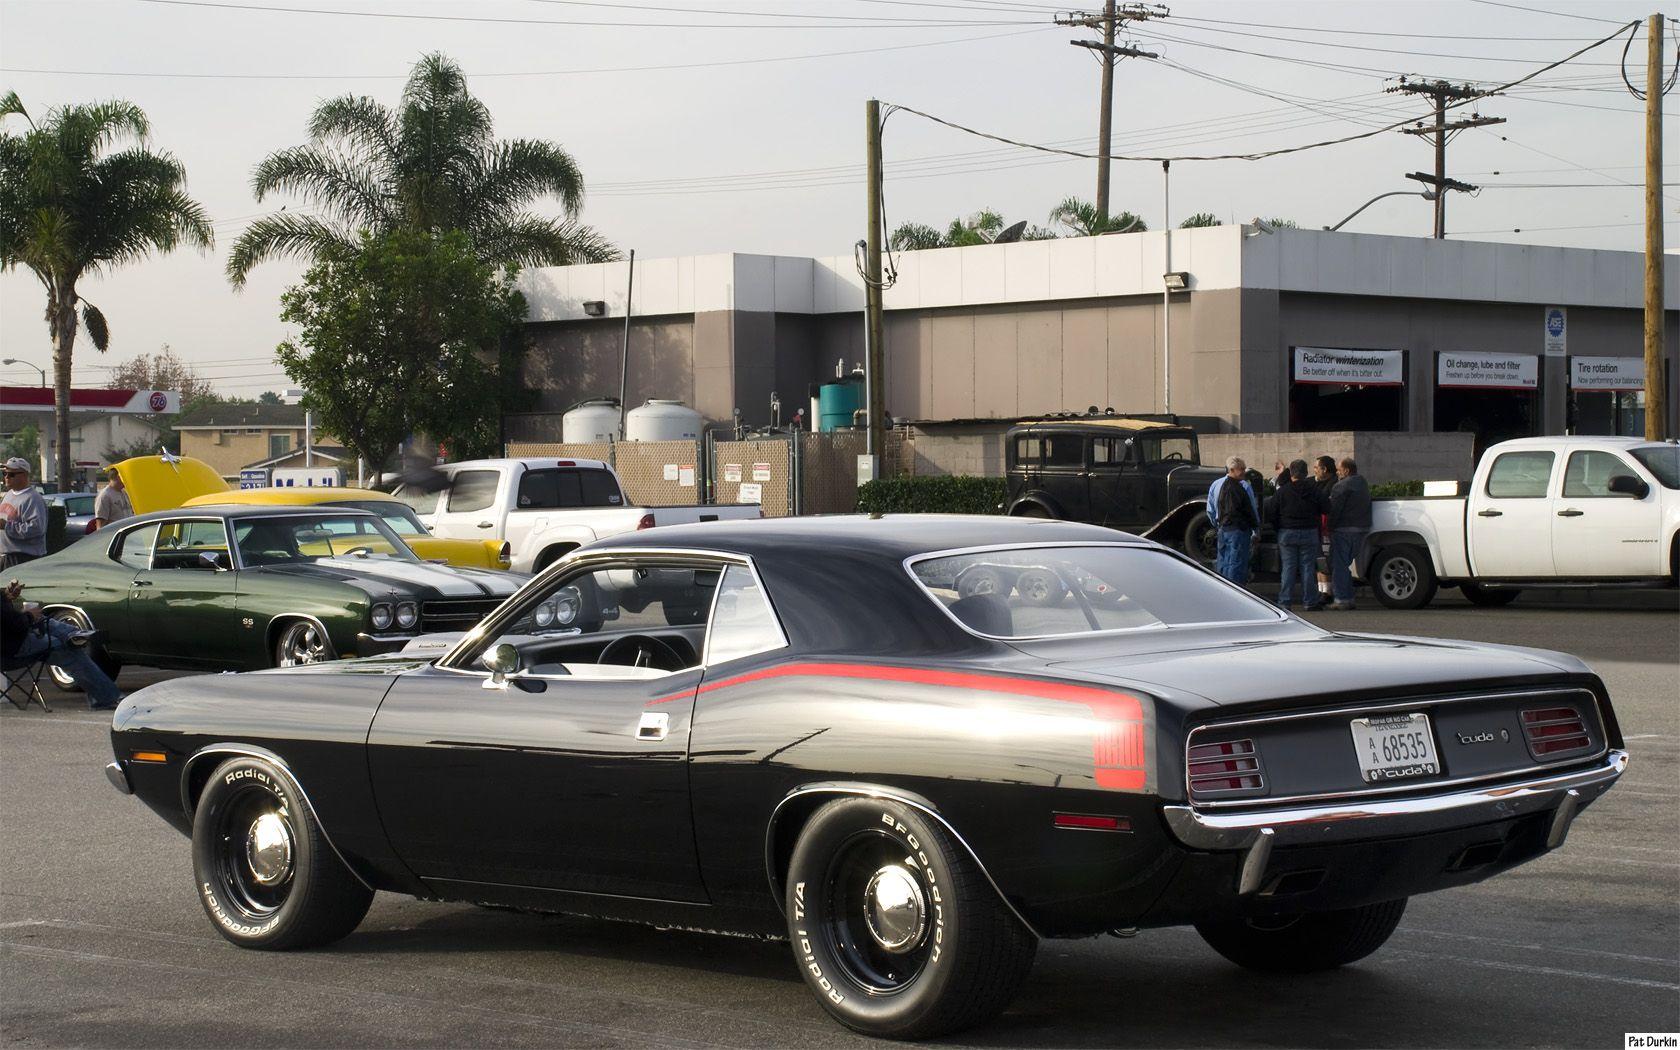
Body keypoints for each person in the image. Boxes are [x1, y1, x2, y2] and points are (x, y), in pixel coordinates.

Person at [1, 581, 124, 710]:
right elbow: (12, 623)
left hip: (11, 642)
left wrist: (6, 597)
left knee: (43, 622)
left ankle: (74, 635)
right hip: (11, 650)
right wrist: (29, 615)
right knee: (67, 649)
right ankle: (107, 698)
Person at [1271, 458, 1329, 612]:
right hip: (1309, 531)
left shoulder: (1283, 491)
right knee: (1308, 568)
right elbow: (1326, 508)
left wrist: (1279, 528)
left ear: (1291, 473)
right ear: (1306, 473)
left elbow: (1272, 511)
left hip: (1287, 532)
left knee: (1288, 568)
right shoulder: (1314, 490)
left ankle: (1285, 601)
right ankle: (1310, 601)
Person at [1327, 457, 1373, 611]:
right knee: (1345, 564)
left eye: (1339, 470)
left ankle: (1342, 599)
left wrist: (1330, 527)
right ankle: (1348, 598)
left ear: (1346, 470)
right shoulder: (1362, 483)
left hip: (1343, 529)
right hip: (1361, 529)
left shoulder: (1340, 486)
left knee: (1339, 565)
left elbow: (1335, 510)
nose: (1337, 472)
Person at [1212, 456, 1259, 584]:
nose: (1244, 471)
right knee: (1236, 564)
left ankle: (1223, 588)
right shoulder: (1237, 488)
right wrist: (1254, 526)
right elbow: (1242, 510)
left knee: (1224, 563)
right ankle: (1234, 589)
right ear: (1232, 469)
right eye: (1241, 469)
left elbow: (1214, 508)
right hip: (1237, 530)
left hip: (1224, 528)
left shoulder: (1222, 485)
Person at [0, 458, 47, 570]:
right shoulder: (8, 495)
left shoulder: (33, 499)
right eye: (5, 473)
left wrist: (6, 526)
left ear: (24, 475)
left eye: (11, 474)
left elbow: (37, 529)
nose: (7, 477)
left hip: (24, 558)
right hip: (6, 556)